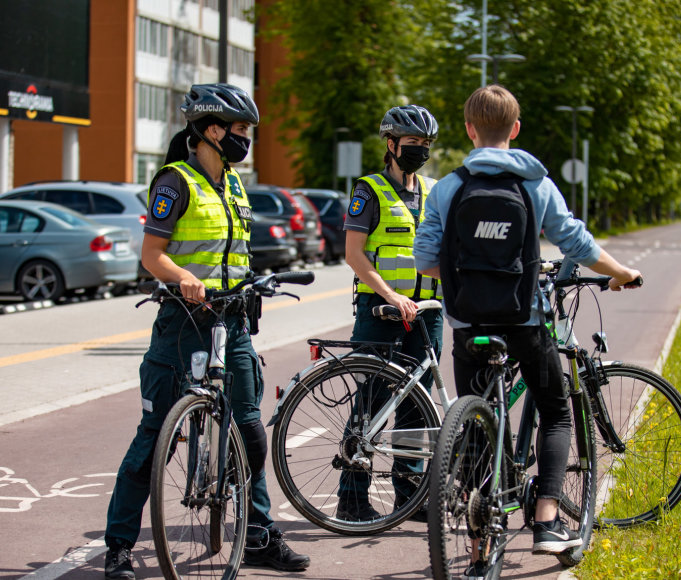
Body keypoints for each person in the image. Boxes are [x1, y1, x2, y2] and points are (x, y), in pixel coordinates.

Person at [413, 85, 641, 574]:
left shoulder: (448, 187)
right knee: (556, 411)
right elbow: (576, 242)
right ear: (515, 130)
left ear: (469, 130)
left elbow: (426, 260)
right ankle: (547, 520)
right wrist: (620, 272)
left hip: (468, 322)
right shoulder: (535, 185)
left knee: (474, 421)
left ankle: (477, 545)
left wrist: (467, 275)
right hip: (524, 321)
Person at [102, 83, 310, 579]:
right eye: (241, 130)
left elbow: (235, 253)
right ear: (212, 130)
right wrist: (185, 278)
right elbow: (151, 255)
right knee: (155, 436)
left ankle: (257, 534)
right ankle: (119, 548)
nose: (246, 139)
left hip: (232, 323)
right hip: (183, 324)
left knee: (246, 430)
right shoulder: (175, 181)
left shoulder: (234, 183)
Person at [337, 104, 444, 522]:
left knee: (418, 409)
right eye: (412, 143)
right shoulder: (369, 190)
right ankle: (352, 497)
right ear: (391, 144)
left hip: (427, 312)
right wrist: (389, 295)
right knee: (370, 404)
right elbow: (353, 254)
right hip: (380, 310)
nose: (419, 150)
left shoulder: (435, 192)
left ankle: (409, 494)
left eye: (425, 144)